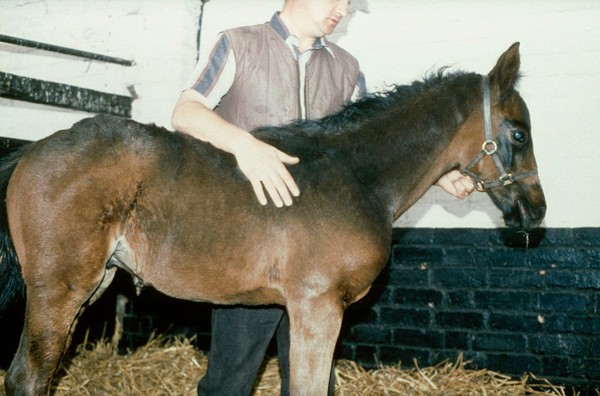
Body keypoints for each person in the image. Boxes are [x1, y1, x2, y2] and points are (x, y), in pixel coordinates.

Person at [172, 1, 474, 394]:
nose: (343, 11)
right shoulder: (237, 44)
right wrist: (243, 145)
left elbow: (375, 156)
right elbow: (185, 112)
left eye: (349, 4)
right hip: (251, 248)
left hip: (318, 258)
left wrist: (440, 175)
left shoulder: (348, 69)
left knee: (315, 386)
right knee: (229, 384)